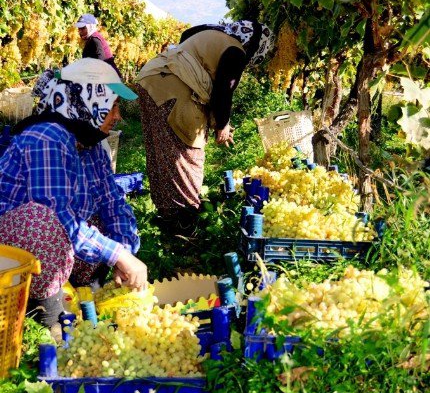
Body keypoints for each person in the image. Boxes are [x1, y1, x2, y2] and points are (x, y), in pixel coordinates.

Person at [0, 58, 147, 341]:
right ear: (91, 100)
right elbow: (59, 217)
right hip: (11, 251)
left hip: (53, 250)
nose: (117, 115)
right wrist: (118, 255)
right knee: (42, 221)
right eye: (113, 105)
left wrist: (125, 250)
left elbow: (112, 201)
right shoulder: (47, 137)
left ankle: (84, 290)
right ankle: (47, 310)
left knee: (105, 226)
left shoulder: (90, 143)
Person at [135, 19, 275, 234]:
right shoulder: (235, 51)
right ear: (256, 45)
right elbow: (222, 93)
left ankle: (168, 215)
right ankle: (184, 219)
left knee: (162, 150)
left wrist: (219, 121)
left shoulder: (213, 33)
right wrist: (222, 125)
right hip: (171, 89)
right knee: (186, 153)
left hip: (151, 80)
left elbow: (187, 42)